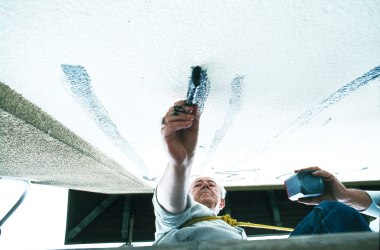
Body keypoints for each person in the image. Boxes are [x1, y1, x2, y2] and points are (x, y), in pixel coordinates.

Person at [153, 100, 379, 245]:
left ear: (221, 203)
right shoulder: (180, 217)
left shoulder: (234, 231)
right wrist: (180, 165)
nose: (204, 185)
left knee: (333, 212)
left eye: (211, 184)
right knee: (333, 211)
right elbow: (170, 203)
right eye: (197, 184)